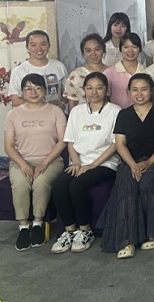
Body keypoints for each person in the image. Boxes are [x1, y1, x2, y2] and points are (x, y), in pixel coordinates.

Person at [98, 73, 154, 259]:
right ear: (128, 92)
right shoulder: (124, 115)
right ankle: (127, 240)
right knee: (127, 187)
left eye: (144, 89)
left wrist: (149, 162)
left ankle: (151, 233)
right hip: (129, 160)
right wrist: (133, 165)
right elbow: (120, 144)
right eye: (135, 90)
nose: (139, 94)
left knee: (148, 184)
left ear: (151, 91)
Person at [50, 72, 121, 254]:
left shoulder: (115, 111)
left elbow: (115, 144)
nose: (94, 92)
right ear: (84, 90)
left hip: (105, 164)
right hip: (79, 161)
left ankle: (85, 230)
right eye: (90, 88)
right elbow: (70, 141)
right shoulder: (77, 111)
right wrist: (75, 162)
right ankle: (70, 231)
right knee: (59, 185)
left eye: (99, 88)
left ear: (106, 90)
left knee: (77, 185)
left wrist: (93, 165)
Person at [4, 73, 67, 251]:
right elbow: (9, 146)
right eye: (28, 89)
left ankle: (38, 223)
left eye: (38, 88)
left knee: (40, 182)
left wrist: (44, 163)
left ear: (45, 91)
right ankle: (23, 226)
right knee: (20, 184)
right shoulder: (13, 114)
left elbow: (62, 141)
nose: (33, 92)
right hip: (21, 160)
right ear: (22, 92)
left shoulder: (55, 111)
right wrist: (23, 164)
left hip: (51, 160)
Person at [8, 30, 68, 109]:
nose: (39, 49)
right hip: (30, 115)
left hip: (54, 113)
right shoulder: (19, 71)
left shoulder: (59, 66)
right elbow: (16, 101)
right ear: (27, 47)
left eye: (43, 44)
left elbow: (68, 91)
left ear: (49, 45)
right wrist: (45, 104)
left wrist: (62, 103)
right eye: (33, 45)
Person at [65, 33, 109, 111]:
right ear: (83, 53)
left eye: (97, 49)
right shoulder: (76, 74)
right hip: (83, 116)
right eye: (88, 50)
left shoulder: (113, 72)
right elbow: (72, 102)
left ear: (103, 50)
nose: (93, 53)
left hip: (109, 115)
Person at [103, 33, 147, 108]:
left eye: (134, 47)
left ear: (140, 49)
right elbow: (105, 99)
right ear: (120, 49)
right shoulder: (109, 73)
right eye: (126, 47)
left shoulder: (146, 72)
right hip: (118, 113)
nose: (130, 51)